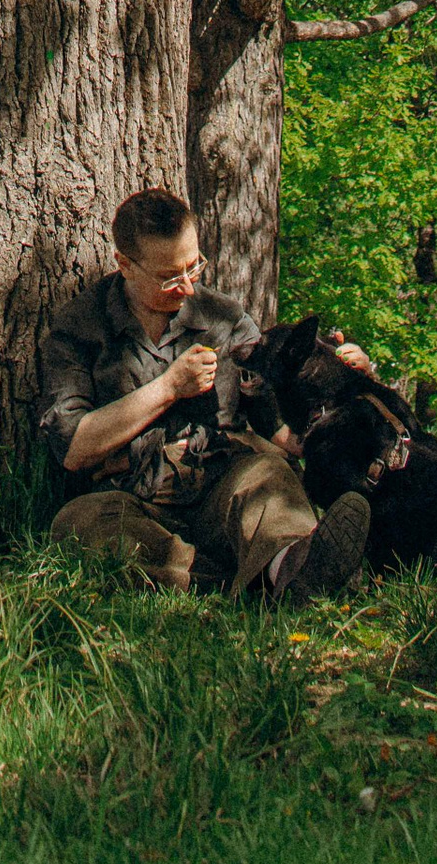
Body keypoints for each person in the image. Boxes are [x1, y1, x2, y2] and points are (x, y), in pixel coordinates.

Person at [36, 187, 376, 597]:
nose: (189, 289)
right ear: (124, 264)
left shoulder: (225, 318)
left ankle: (289, 561)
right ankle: (267, 577)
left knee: (270, 475)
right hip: (132, 497)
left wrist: (353, 382)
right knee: (77, 523)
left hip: (222, 482)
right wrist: (169, 387)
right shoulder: (79, 326)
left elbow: (286, 427)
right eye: (169, 278)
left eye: (194, 268)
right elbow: (74, 448)